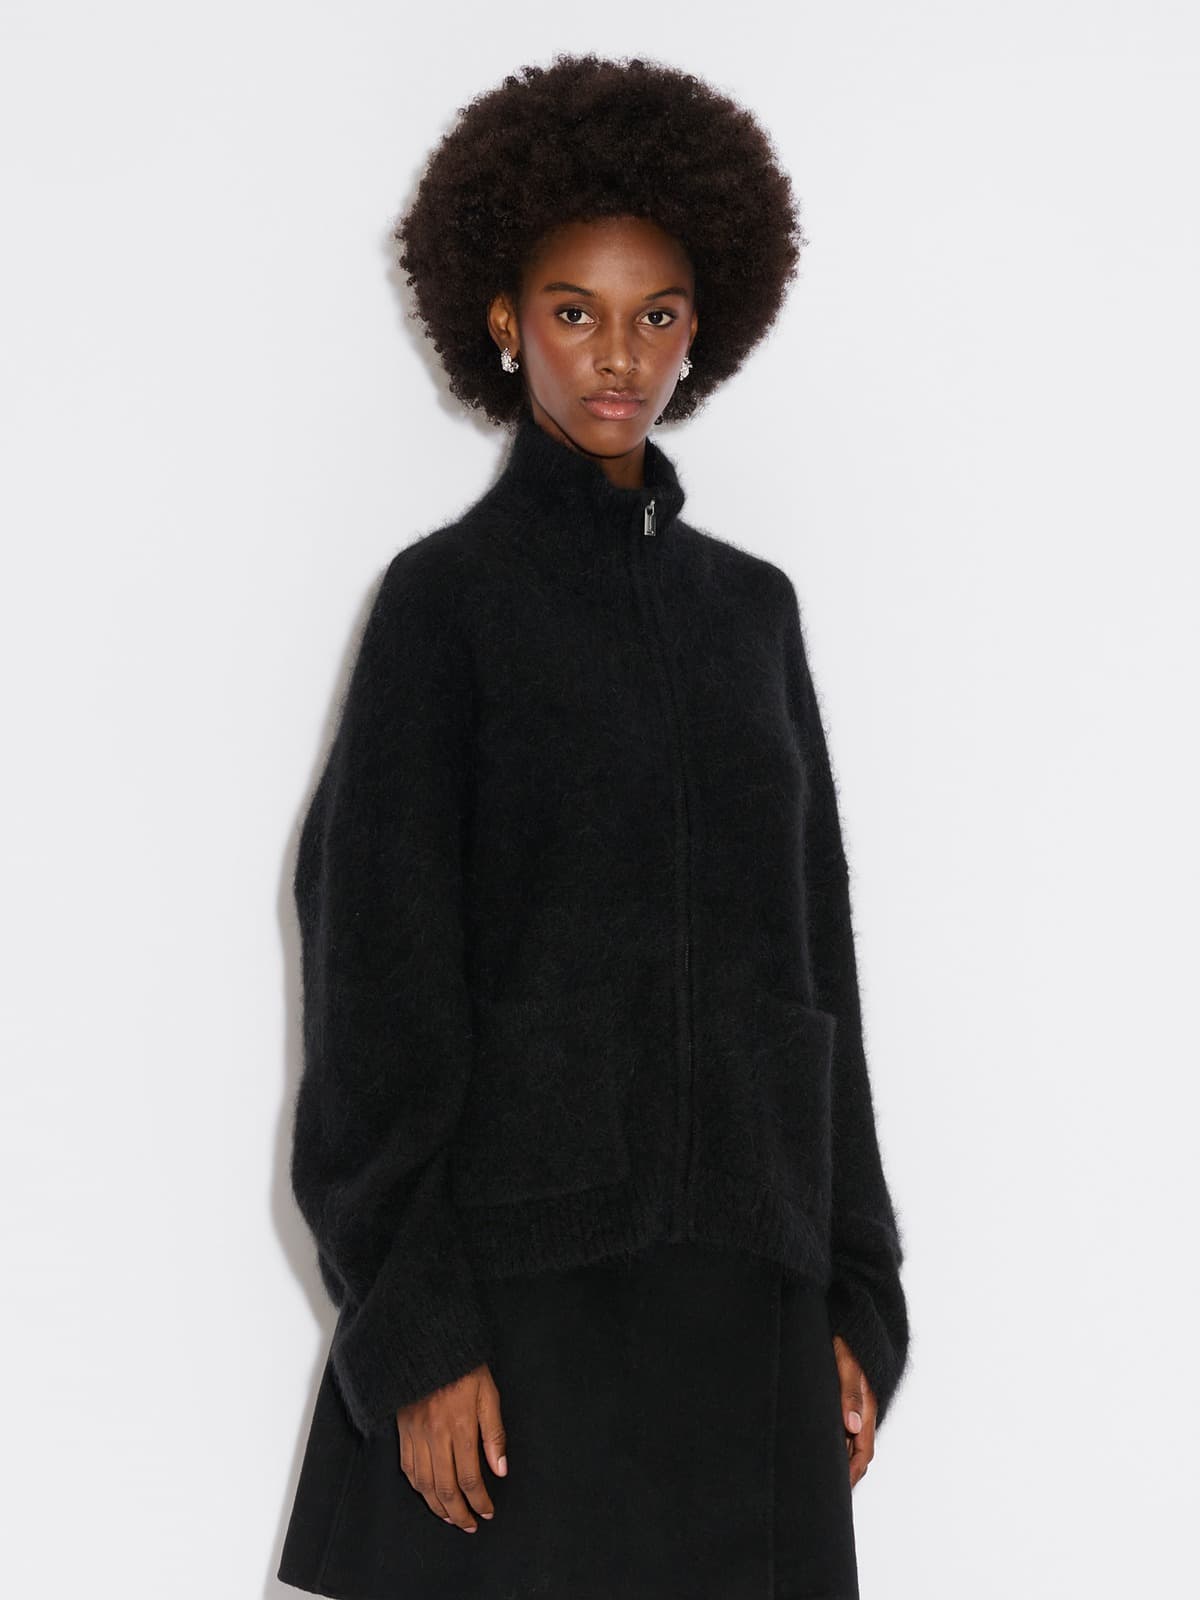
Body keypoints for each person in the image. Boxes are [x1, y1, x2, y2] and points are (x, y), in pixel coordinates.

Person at [278, 51, 911, 1600]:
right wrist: (416, 1330)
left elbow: (818, 969)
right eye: (575, 311)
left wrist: (853, 1287)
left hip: (744, 1315)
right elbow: (371, 984)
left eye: (655, 315)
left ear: (703, 326)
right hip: (516, 1315)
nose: (618, 356)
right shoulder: (446, 607)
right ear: (505, 321)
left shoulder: (753, 615)